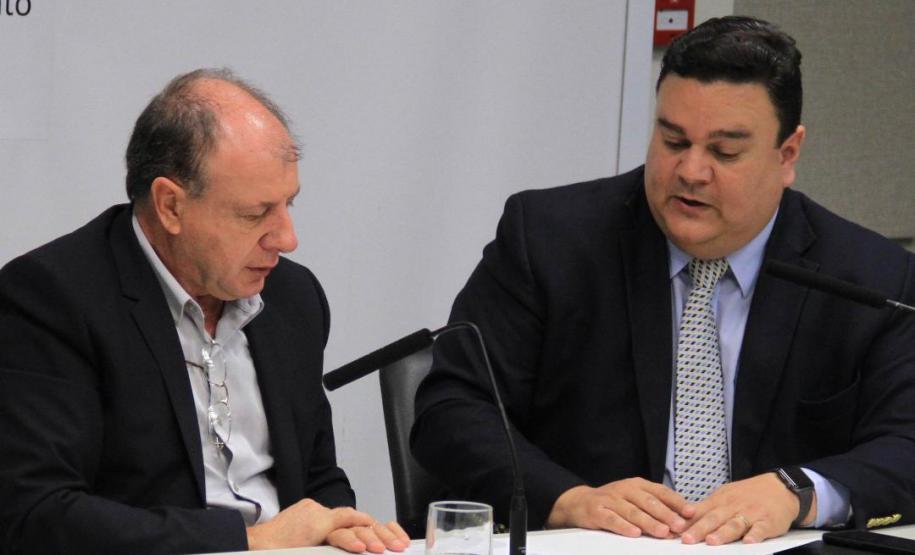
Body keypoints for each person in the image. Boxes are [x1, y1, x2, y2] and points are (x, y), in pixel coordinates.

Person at [412, 16, 915, 546]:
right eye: (673, 140)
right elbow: (452, 410)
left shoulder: (868, 279)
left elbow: (907, 441)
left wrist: (798, 491)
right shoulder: (550, 240)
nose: (691, 171)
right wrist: (569, 499)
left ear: (787, 154)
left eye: (724, 152)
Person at [0, 69, 409, 555]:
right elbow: (37, 513)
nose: (287, 238)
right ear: (170, 206)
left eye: (289, 204)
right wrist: (250, 541)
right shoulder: (55, 298)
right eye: (255, 214)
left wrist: (341, 527)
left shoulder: (293, 297)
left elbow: (316, 475)